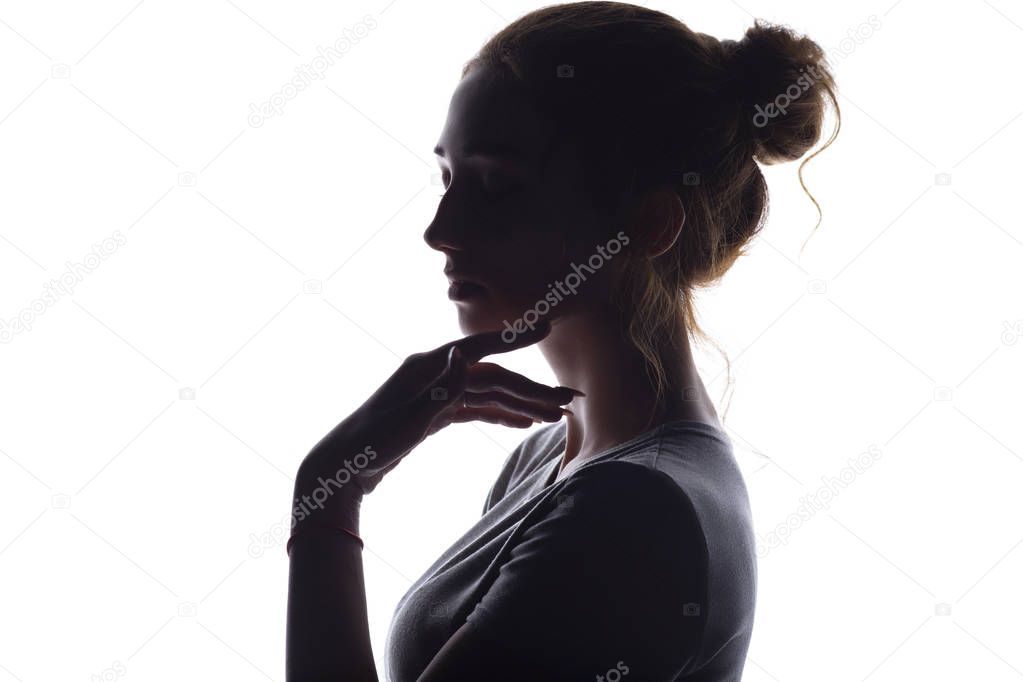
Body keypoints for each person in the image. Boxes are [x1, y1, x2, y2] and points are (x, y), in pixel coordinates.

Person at [284, 2, 840, 680]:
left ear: (647, 221)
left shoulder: (634, 512)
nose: (439, 229)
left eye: (495, 185)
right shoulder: (547, 458)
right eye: (447, 177)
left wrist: (328, 493)